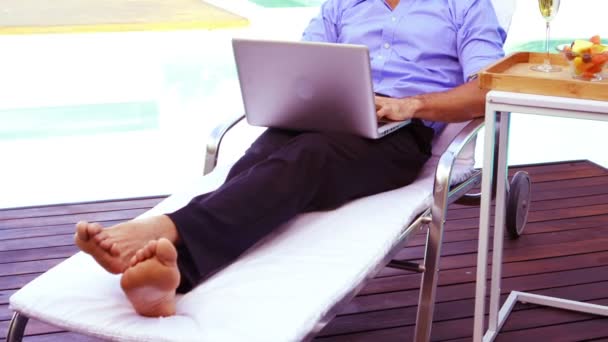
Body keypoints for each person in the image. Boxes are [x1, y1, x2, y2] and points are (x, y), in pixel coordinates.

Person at [75, 0, 506, 317]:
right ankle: (171, 277)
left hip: (398, 133)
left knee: (306, 158)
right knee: (258, 159)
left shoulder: (464, 5)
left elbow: (486, 90)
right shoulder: (342, 5)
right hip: (323, 114)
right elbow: (304, 64)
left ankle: (167, 228)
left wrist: (411, 105)